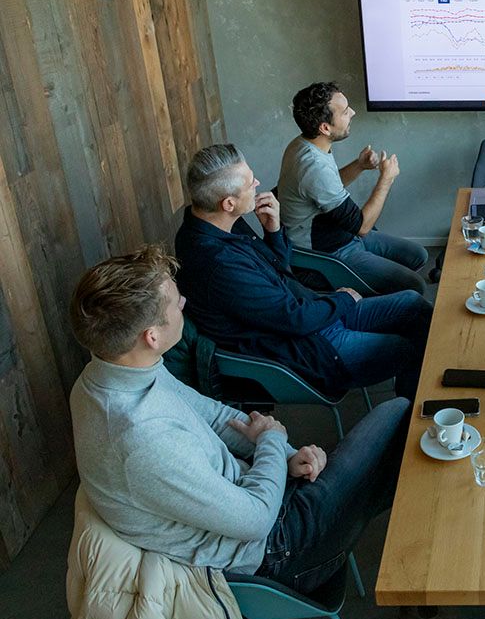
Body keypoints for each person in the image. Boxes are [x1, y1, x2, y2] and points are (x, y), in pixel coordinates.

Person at [68, 245, 410, 595]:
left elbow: (216, 415)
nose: (184, 302)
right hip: (277, 549)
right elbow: (256, 520)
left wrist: (288, 456)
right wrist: (272, 445)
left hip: (259, 496)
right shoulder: (140, 438)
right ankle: (421, 587)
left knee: (395, 438)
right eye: (174, 302)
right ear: (151, 336)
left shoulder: (112, 373)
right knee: (400, 417)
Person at [174, 143, 432, 401]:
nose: (258, 183)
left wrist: (273, 231)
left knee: (413, 304)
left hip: (315, 312)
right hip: (308, 346)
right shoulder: (218, 264)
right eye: (251, 182)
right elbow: (293, 319)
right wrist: (343, 299)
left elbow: (280, 271)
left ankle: (417, 395)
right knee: (409, 348)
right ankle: (413, 419)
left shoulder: (219, 222)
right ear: (228, 203)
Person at [277, 81, 428, 295]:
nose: (353, 113)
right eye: (346, 111)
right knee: (416, 286)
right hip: (326, 254)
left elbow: (324, 189)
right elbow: (362, 226)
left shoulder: (305, 143)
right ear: (325, 127)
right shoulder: (313, 166)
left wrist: (359, 166)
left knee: (418, 255)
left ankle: (384, 290)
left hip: (343, 235)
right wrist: (386, 179)